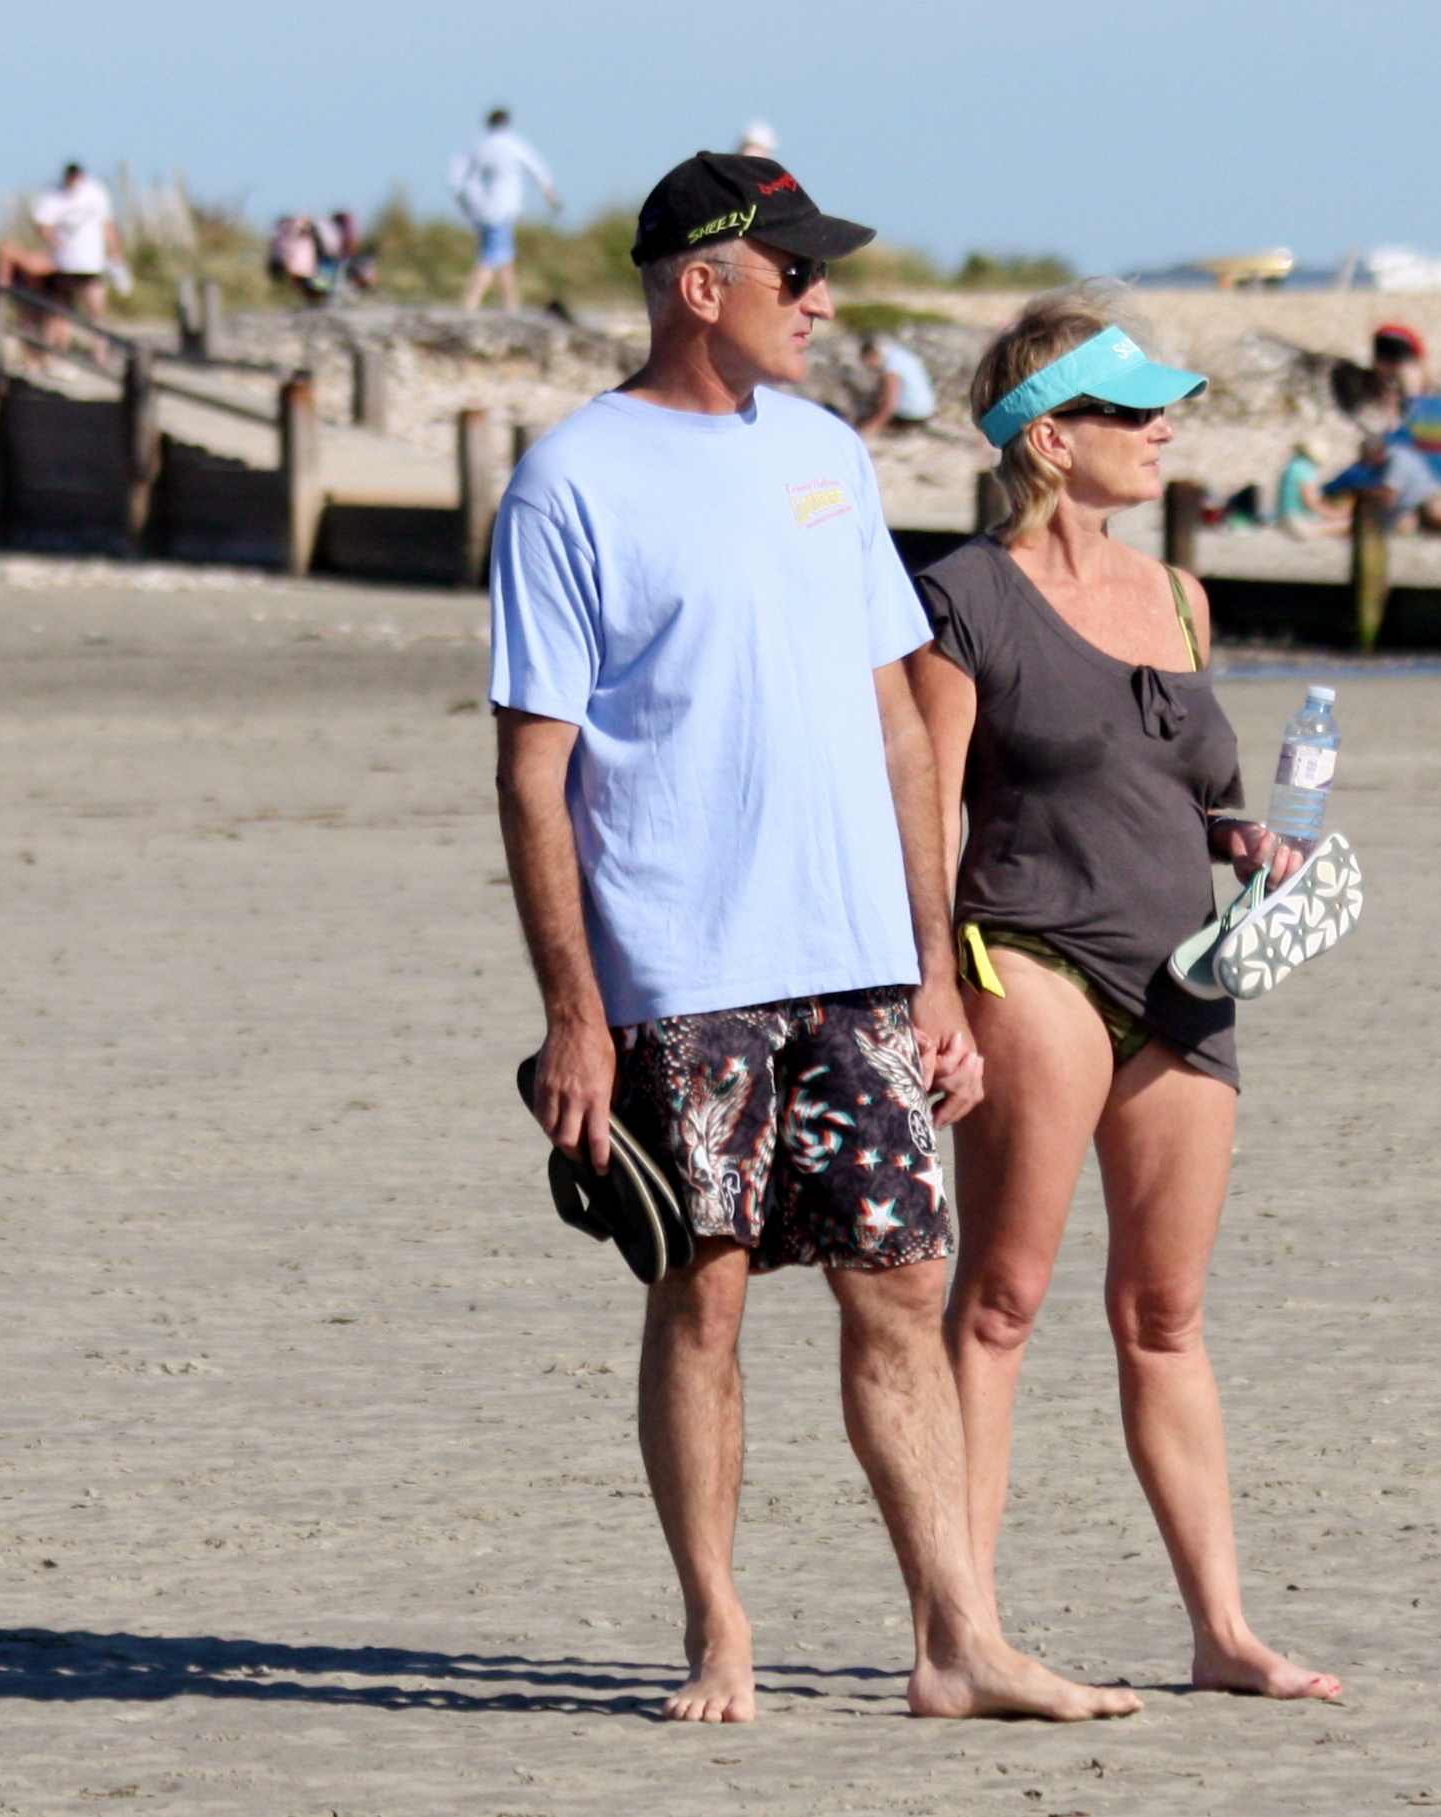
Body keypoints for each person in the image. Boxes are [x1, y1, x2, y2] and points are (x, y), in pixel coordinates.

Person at [490, 150, 1140, 1729]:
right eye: (800, 276)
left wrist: (931, 960)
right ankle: (719, 1632)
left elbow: (904, 726)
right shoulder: (571, 480)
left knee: (900, 1287)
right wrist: (575, 1013)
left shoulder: (829, 460)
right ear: (701, 287)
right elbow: (533, 765)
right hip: (679, 970)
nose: (827, 302)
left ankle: (958, 1638)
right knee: (701, 1290)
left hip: (858, 961)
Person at [909, 290, 1344, 1703]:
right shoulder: (958, 599)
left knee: (1165, 1311)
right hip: (1029, 953)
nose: (1163, 429)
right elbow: (922, 812)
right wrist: (933, 990)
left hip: (1188, 973)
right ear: (1046, 438)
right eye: (1129, 409)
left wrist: (1249, 842)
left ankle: (1222, 1631)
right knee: (1000, 1303)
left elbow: (1189, 792)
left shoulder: (1178, 595)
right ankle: (959, 1636)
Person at [452, 108, 560, 311]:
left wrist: (465, 203)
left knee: (503, 259)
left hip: (483, 209)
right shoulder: (513, 145)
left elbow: (456, 178)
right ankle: (471, 303)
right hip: (504, 209)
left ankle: (510, 305)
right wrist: (552, 200)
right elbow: (538, 171)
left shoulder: (480, 146)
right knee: (491, 259)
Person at [1325, 431, 1441, 542]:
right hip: (1409, 507)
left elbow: (1388, 498)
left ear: (1376, 455)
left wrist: (1365, 502)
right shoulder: (1380, 464)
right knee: (1401, 530)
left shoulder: (1397, 461)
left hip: (1431, 496)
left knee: (1438, 513)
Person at [31, 163, 120, 350]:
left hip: (91, 263)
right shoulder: (55, 197)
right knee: (59, 311)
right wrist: (56, 243)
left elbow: (106, 223)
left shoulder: (95, 193)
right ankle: (54, 352)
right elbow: (42, 225)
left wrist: (115, 251)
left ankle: (100, 354)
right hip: (64, 265)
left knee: (96, 311)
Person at [854, 335, 936, 438]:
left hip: (909, 416)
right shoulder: (899, 354)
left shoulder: (890, 366)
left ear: (872, 355)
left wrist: (870, 427)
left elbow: (889, 404)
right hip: (925, 412)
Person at [1273, 441, 1345, 538]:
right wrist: (1334, 515)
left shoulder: (1293, 465)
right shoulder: (1306, 470)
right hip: (1298, 524)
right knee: (1348, 525)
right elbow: (1311, 503)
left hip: (1283, 520)